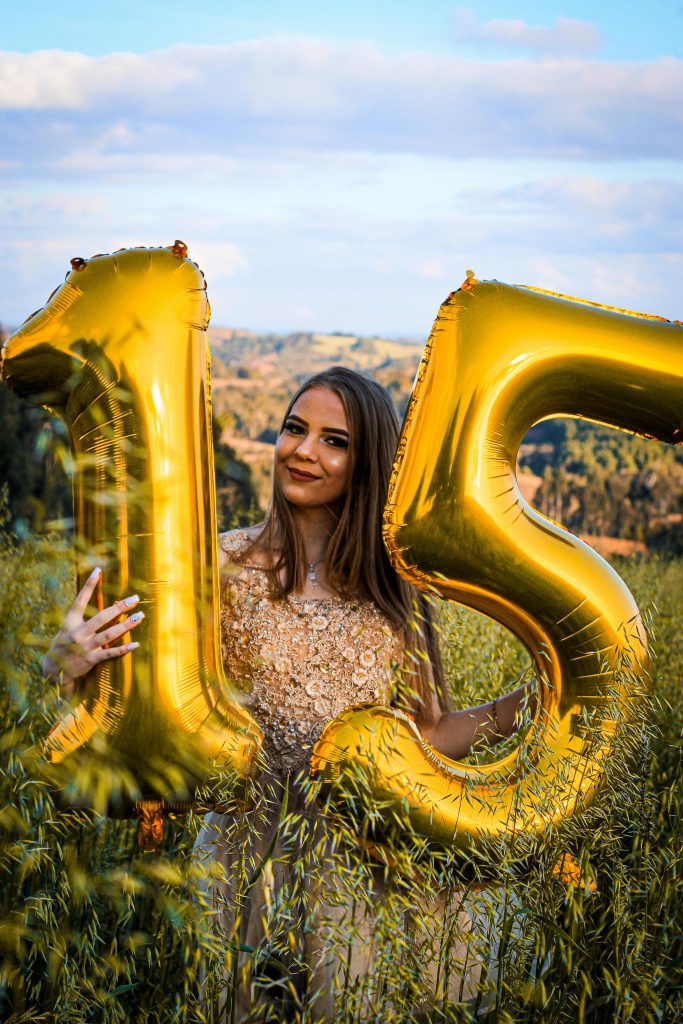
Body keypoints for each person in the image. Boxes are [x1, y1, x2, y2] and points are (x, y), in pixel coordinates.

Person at [42, 366, 534, 1020]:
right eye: (294, 429)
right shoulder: (215, 569)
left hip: (357, 877)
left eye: (334, 441)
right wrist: (67, 664)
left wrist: (524, 705)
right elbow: (139, 715)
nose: (303, 451)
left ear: (367, 464)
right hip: (238, 868)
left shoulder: (395, 593)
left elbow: (428, 734)